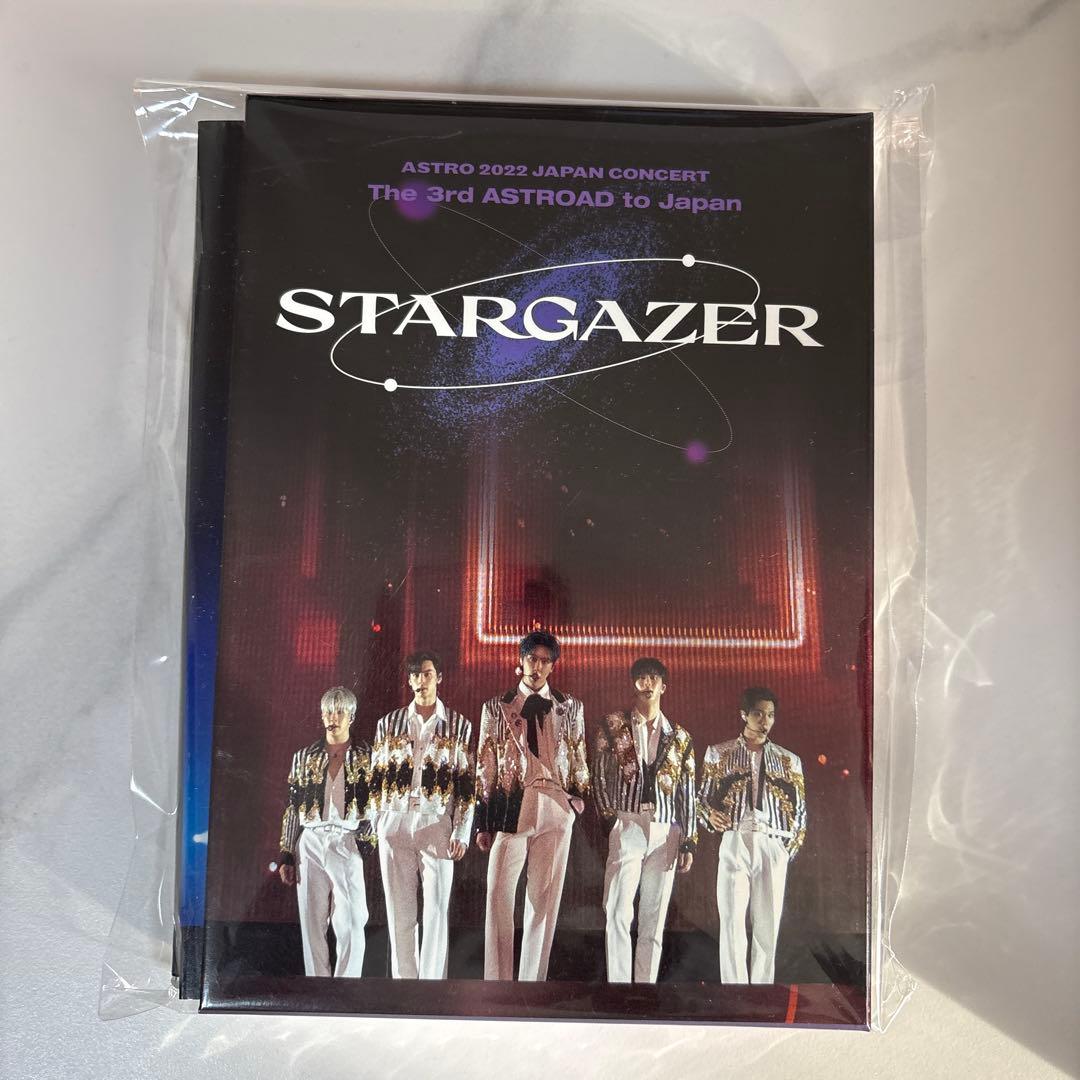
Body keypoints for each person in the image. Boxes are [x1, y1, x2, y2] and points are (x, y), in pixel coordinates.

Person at [475, 630, 589, 981]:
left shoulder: (571, 707)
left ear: (553, 666)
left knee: (544, 901)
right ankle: (497, 985)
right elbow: (485, 764)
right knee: (498, 894)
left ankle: (531, 985)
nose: (537, 666)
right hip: (513, 803)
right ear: (520, 660)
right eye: (531, 658)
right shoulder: (496, 706)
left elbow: (579, 754)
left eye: (544, 661)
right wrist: (483, 821)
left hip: (556, 804)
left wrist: (575, 802)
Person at [369, 650, 474, 979]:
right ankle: (404, 986)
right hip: (395, 819)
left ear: (439, 677)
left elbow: (466, 784)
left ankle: (431, 988)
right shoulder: (388, 723)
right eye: (414, 674)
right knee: (399, 911)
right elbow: (376, 776)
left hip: (435, 820)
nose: (420, 680)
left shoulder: (459, 725)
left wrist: (461, 831)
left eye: (426, 673)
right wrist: (378, 822)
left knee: (436, 911)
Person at [593, 657, 696, 983]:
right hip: (627, 822)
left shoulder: (680, 737)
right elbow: (599, 776)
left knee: (654, 917)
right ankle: (619, 988)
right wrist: (610, 819)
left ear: (664, 686)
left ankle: (645, 989)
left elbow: (687, 792)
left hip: (666, 830)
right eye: (641, 677)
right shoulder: (613, 726)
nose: (647, 683)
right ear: (633, 683)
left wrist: (689, 840)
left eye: (653, 678)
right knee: (617, 909)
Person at [697, 687, 807, 984]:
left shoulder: (789, 760)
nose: (765, 721)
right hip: (736, 838)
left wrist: (785, 851)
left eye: (770, 715)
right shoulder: (719, 753)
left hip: (772, 840)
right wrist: (710, 816)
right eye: (758, 713)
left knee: (767, 925)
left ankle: (762, 991)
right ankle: (734, 991)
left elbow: (800, 812)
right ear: (744, 715)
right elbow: (701, 799)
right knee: (732, 920)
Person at [278, 686, 373, 977]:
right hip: (310, 839)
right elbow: (292, 806)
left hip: (347, 837)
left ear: (351, 716)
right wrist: (286, 853)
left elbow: (378, 805)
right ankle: (316, 984)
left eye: (339, 711)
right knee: (311, 918)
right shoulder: (304, 757)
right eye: (328, 711)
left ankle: (347, 986)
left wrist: (366, 841)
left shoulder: (367, 756)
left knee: (353, 918)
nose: (332, 717)